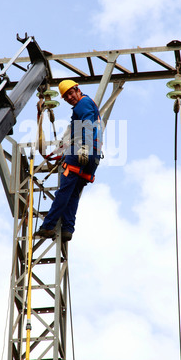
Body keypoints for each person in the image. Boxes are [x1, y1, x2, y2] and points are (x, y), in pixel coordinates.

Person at [34, 80, 102, 242]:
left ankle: (48, 226)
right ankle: (67, 229)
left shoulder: (83, 103)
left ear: (78, 90)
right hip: (93, 157)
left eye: (71, 93)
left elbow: (86, 124)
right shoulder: (87, 103)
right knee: (72, 195)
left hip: (81, 151)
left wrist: (83, 147)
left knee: (64, 191)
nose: (70, 97)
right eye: (66, 97)